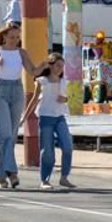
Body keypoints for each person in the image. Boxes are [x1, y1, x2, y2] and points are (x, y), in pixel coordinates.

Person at [0, 23, 44, 190]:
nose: (14, 40)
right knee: (6, 134)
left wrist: (44, 66)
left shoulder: (21, 52)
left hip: (16, 90)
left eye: (17, 37)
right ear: (4, 37)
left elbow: (32, 71)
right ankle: (12, 171)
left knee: (12, 135)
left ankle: (0, 174)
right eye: (11, 37)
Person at [26, 52, 75, 192]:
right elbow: (34, 100)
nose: (60, 68)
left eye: (62, 66)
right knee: (47, 150)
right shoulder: (42, 81)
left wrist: (64, 99)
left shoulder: (64, 82)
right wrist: (25, 116)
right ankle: (44, 179)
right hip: (46, 117)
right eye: (58, 65)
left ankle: (64, 177)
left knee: (67, 146)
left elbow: (66, 98)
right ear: (51, 65)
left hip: (60, 117)